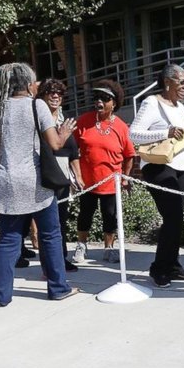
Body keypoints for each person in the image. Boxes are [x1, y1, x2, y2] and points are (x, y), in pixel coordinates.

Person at [0, 63, 79, 306]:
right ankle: (57, 287)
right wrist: (64, 132)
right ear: (26, 84)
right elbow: (55, 144)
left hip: (5, 181)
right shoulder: (38, 105)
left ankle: (2, 295)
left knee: (9, 239)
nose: (36, 85)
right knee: (50, 235)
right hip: (35, 183)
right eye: (34, 81)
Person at [129, 64, 184, 288]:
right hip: (158, 167)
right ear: (168, 82)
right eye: (182, 82)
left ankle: (173, 265)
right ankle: (159, 268)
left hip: (181, 167)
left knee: (176, 221)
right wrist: (165, 132)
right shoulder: (151, 102)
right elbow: (133, 134)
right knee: (172, 218)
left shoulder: (180, 107)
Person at [72, 79, 134, 265]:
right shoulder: (83, 121)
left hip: (110, 183)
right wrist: (76, 175)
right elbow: (72, 149)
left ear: (114, 103)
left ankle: (109, 249)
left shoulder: (121, 126)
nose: (99, 102)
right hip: (87, 181)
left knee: (110, 216)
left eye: (105, 99)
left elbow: (129, 155)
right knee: (85, 215)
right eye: (97, 98)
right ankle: (81, 246)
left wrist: (125, 177)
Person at [37, 78, 81, 272]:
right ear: (43, 96)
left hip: (63, 175)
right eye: (51, 92)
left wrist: (78, 176)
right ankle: (48, 264)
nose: (55, 96)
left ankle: (61, 259)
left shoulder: (67, 121)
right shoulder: (38, 119)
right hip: (44, 174)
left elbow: (73, 152)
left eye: (59, 93)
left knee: (60, 220)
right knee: (47, 223)